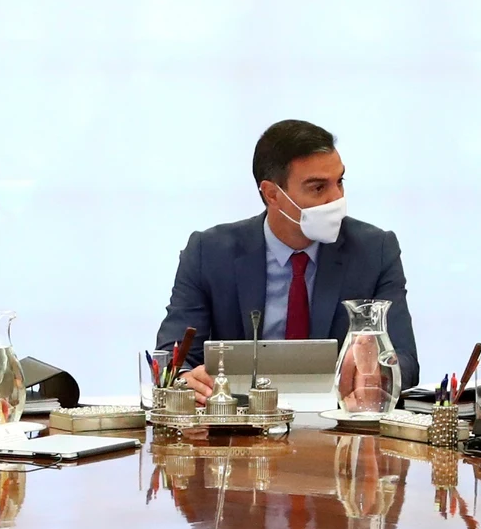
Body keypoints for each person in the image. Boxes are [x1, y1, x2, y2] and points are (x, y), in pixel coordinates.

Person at [155, 120, 418, 402]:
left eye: (339, 182)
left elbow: (405, 362)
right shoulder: (209, 252)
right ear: (272, 194)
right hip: (237, 428)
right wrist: (183, 381)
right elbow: (172, 358)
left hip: (338, 427)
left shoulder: (374, 250)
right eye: (318, 188)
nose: (336, 199)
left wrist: (378, 372)